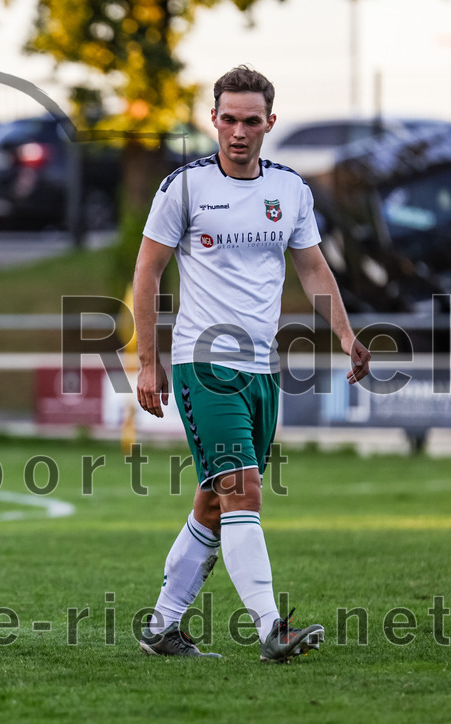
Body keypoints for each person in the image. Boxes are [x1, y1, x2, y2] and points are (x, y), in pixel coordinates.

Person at [132, 65, 371, 662]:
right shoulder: (182, 187)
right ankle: (272, 627)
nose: (239, 131)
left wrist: (345, 334)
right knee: (243, 491)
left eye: (250, 120)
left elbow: (313, 268)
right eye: (228, 119)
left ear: (269, 121)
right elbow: (148, 273)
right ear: (212, 119)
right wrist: (147, 361)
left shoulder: (289, 190)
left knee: (215, 501)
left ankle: (162, 627)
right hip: (202, 364)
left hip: (261, 373)